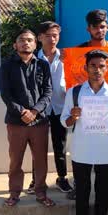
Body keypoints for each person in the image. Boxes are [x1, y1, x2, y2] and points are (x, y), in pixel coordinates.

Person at [61, 49, 108, 215]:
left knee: (103, 190)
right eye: (93, 66)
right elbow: (65, 121)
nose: (97, 70)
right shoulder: (75, 92)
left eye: (101, 66)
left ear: (107, 69)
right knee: (82, 190)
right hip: (82, 148)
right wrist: (73, 116)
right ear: (86, 68)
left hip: (106, 149)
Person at [0, 29, 55, 208]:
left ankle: (40, 192)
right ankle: (14, 193)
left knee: (40, 159)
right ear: (15, 45)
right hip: (17, 122)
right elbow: (6, 94)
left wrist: (35, 111)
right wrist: (22, 112)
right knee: (16, 160)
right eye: (22, 40)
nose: (26, 43)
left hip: (39, 122)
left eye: (30, 40)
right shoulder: (7, 65)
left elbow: (48, 92)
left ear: (35, 44)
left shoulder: (42, 65)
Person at [77, 10, 108, 199]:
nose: (100, 30)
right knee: (83, 145)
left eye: (103, 26)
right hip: (86, 107)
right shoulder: (79, 51)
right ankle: (80, 182)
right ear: (88, 29)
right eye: (96, 27)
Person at [27, 22, 73, 196]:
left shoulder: (67, 57)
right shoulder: (33, 59)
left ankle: (62, 178)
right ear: (40, 38)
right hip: (39, 109)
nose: (52, 39)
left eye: (55, 35)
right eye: (48, 36)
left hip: (61, 107)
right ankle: (36, 180)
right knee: (38, 147)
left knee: (60, 146)